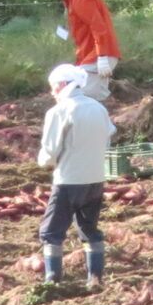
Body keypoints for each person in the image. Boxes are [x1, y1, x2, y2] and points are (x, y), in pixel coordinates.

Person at [37, 64, 113, 292]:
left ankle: (52, 279)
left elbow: (49, 151)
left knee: (51, 232)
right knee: (89, 228)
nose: (52, 92)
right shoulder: (98, 108)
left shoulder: (59, 112)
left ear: (62, 85)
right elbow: (108, 137)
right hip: (96, 179)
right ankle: (95, 278)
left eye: (53, 87)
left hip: (68, 179)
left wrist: (45, 164)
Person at [37, 0, 120, 102]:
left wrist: (102, 56)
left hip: (97, 56)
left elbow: (98, 26)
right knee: (80, 100)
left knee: (81, 100)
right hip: (89, 56)